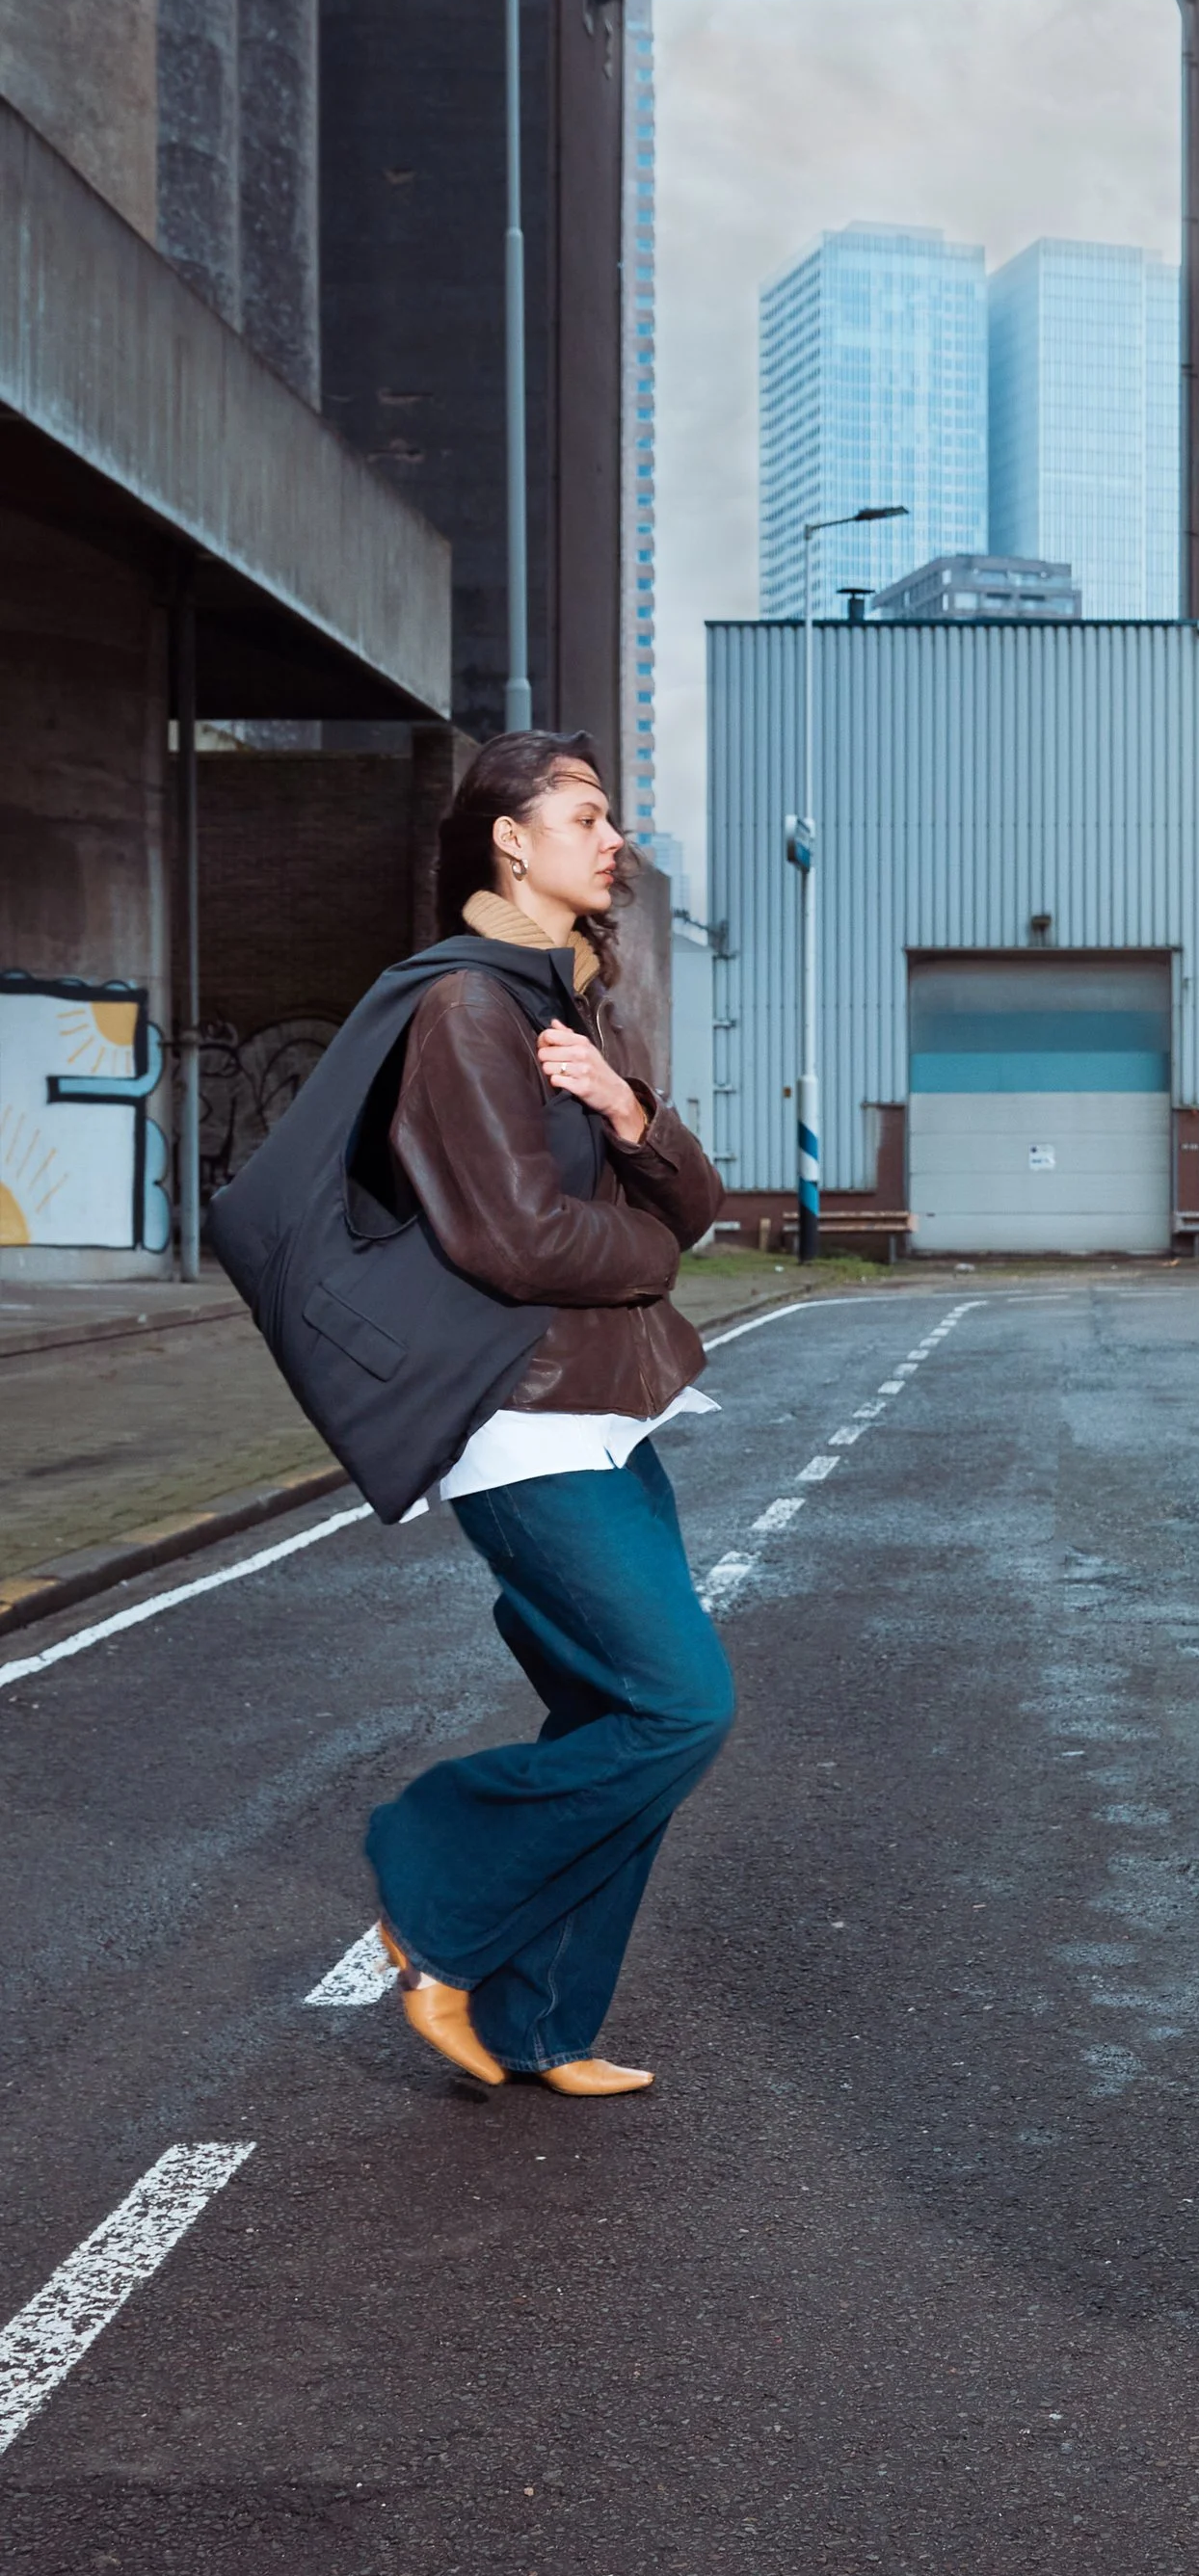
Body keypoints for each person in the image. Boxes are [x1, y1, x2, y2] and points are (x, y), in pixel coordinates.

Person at [360, 731, 733, 2099]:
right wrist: (649, 1253)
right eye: (583, 813)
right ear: (510, 839)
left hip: (609, 1412)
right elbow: (514, 1237)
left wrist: (633, 1113)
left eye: (612, 815)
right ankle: (432, 1873)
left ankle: (540, 2023)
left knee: (606, 1711)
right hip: (521, 1424)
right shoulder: (464, 1009)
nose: (612, 836)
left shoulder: (566, 1005)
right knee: (683, 1706)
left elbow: (691, 1199)